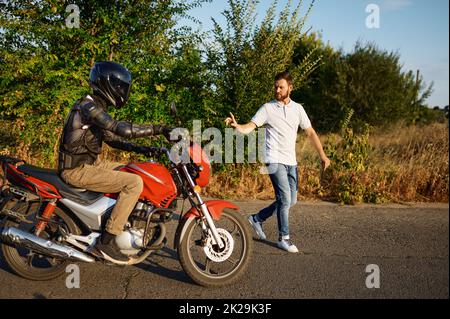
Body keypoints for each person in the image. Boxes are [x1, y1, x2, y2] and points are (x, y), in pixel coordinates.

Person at [58, 61, 173, 264]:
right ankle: (108, 239)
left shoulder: (93, 106)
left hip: (90, 164)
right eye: (119, 86)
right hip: (77, 170)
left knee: (133, 170)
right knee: (133, 183)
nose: (122, 91)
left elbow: (113, 139)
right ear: (106, 84)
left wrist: (147, 150)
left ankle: (119, 219)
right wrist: (160, 128)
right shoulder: (88, 106)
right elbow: (121, 129)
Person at [225, 71, 331, 253]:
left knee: (291, 200)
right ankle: (284, 238)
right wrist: (238, 127)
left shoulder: (298, 109)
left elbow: (311, 132)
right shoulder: (267, 108)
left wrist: (323, 155)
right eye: (275, 86)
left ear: (290, 88)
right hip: (273, 159)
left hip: (291, 161)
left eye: (281, 87)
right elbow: (251, 126)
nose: (277, 90)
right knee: (284, 199)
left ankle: (257, 219)